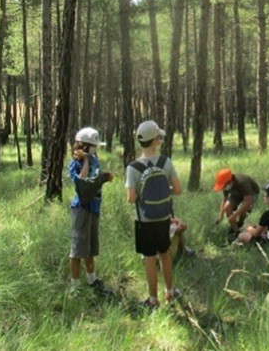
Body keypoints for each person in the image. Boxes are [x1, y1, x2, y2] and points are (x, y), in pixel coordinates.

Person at [126, 120, 183, 308]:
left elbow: (131, 198)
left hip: (144, 220)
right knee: (164, 254)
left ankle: (152, 299)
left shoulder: (133, 168)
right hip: (163, 218)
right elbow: (178, 189)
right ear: (156, 141)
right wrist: (163, 190)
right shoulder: (165, 162)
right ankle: (170, 291)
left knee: (149, 259)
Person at [68, 127, 114, 294]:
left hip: (94, 209)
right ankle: (74, 287)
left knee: (90, 248)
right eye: (93, 146)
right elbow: (82, 181)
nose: (96, 149)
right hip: (81, 209)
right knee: (77, 249)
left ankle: (92, 280)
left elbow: (95, 180)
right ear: (84, 146)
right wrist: (85, 160)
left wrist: (104, 178)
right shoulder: (76, 163)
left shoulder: (94, 159)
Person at [214, 168, 260, 237]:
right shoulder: (226, 185)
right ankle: (237, 231)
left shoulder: (242, 182)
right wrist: (221, 216)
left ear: (229, 181)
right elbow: (224, 199)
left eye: (223, 186)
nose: (223, 188)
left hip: (251, 194)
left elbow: (247, 201)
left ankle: (240, 222)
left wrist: (234, 215)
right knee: (227, 208)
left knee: (242, 209)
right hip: (237, 193)